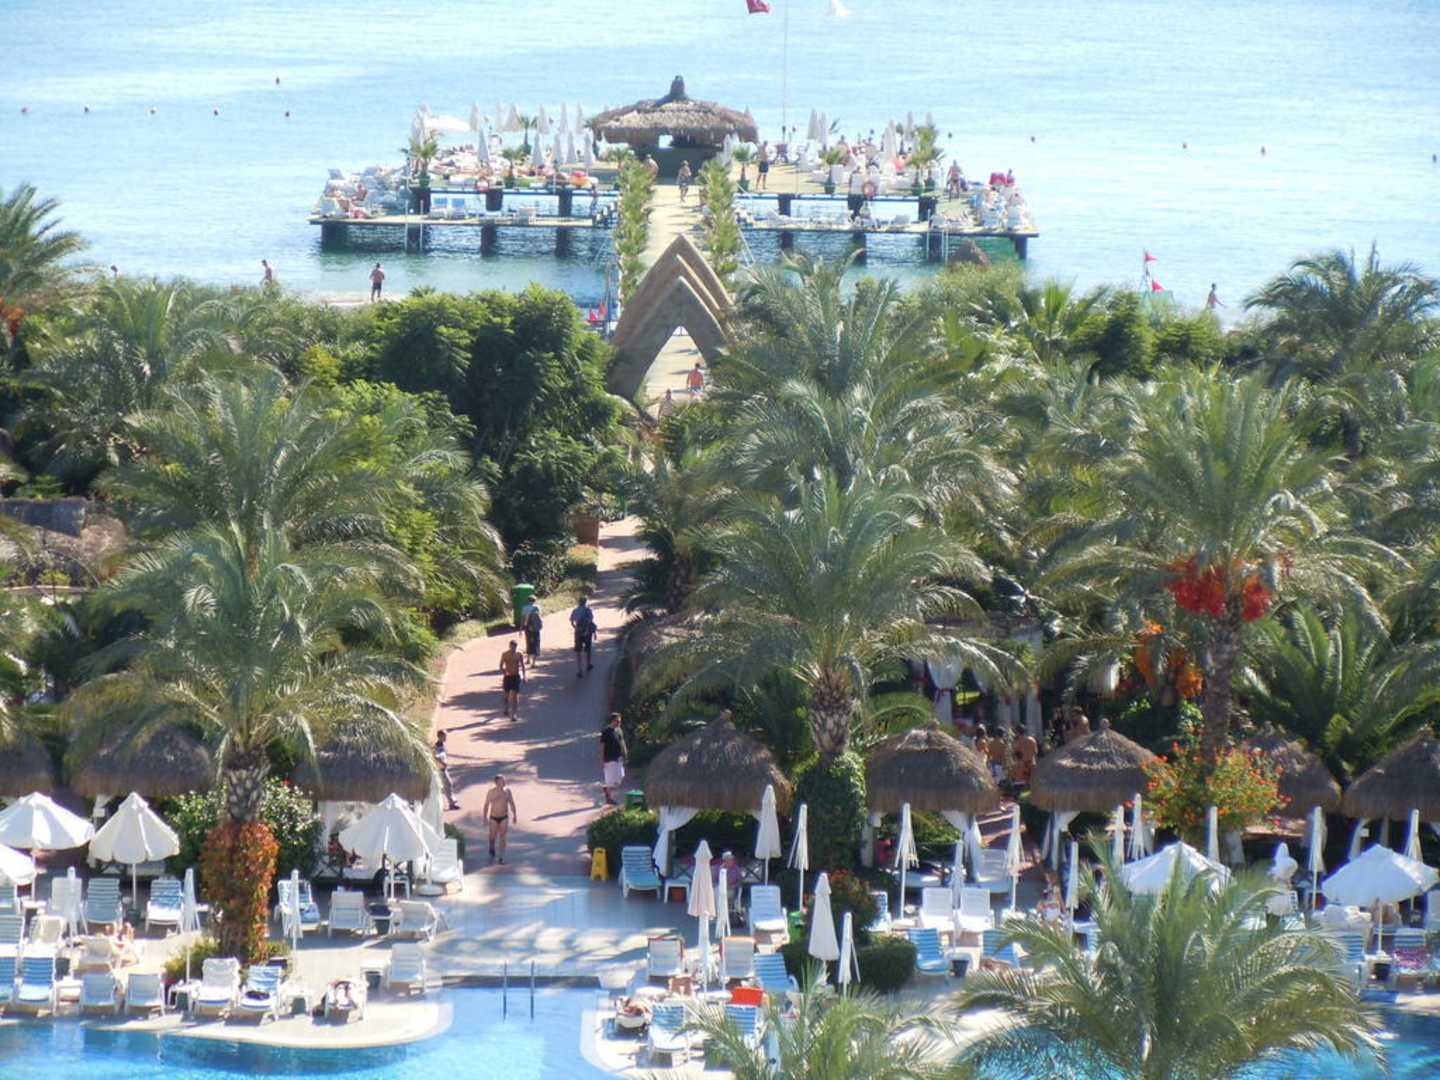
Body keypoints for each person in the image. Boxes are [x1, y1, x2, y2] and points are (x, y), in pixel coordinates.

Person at [483, 775, 517, 864]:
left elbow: (512, 803)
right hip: (493, 817)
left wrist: (514, 815)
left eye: (504, 781)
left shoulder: (507, 791)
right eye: (502, 781)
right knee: (492, 836)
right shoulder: (491, 792)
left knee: (503, 836)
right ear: (497, 782)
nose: (504, 782)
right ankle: (491, 847)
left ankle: (501, 856)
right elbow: (486, 805)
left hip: (504, 817)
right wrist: (485, 817)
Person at [600, 712, 627, 805]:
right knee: (610, 780)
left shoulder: (619, 730)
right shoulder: (606, 731)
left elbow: (622, 742)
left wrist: (625, 753)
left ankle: (607, 789)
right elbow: (602, 746)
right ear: (612, 721)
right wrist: (602, 759)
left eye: (620, 721)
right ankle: (609, 798)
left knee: (621, 776)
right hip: (609, 758)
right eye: (617, 721)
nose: (619, 723)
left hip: (618, 757)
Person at [498, 639, 526, 720]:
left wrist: (524, 676)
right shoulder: (505, 654)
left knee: (515, 696)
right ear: (509, 646)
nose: (513, 648)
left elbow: (522, 666)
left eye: (514, 647)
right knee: (506, 695)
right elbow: (501, 665)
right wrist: (504, 672)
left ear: (516, 647)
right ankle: (506, 707)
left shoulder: (519, 655)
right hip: (508, 677)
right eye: (511, 646)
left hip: (516, 676)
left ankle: (514, 714)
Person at [570, 594, 597, 676]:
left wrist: (576, 627)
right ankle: (588, 664)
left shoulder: (575, 610)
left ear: (579, 602)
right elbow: (590, 621)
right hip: (587, 632)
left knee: (578, 651)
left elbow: (572, 621)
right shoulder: (588, 610)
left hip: (578, 632)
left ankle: (579, 669)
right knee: (588, 649)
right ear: (585, 602)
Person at [434, 729, 460, 810]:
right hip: (441, 769)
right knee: (448, 784)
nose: (446, 737)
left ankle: (450, 802)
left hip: (444, 768)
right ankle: (452, 803)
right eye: (444, 736)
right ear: (439, 736)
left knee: (446, 785)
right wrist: (442, 763)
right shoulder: (437, 746)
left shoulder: (442, 744)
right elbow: (435, 757)